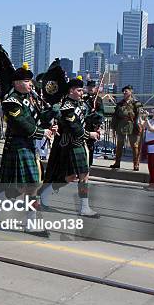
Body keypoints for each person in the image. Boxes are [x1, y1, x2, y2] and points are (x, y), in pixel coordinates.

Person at [0, 64, 58, 234]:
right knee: (31, 185)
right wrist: (41, 132)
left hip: (28, 145)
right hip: (17, 145)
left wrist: (51, 114)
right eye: (26, 81)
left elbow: (37, 118)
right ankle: (30, 224)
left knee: (25, 187)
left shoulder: (28, 99)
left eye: (30, 81)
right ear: (16, 83)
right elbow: (22, 124)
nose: (30, 84)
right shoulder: (11, 101)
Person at [40, 78, 99, 217]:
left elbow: (85, 119)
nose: (81, 92)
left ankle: (84, 207)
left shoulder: (79, 104)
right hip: (71, 145)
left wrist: (96, 120)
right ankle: (46, 193)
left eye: (81, 90)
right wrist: (89, 134)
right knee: (72, 176)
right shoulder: (67, 107)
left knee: (82, 176)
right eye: (79, 90)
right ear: (71, 90)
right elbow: (74, 128)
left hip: (80, 144)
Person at [110, 85, 143, 171]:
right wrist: (113, 128)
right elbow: (115, 116)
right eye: (124, 91)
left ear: (131, 92)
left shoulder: (136, 103)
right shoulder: (120, 104)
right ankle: (117, 163)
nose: (124, 93)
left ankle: (136, 164)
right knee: (119, 145)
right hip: (121, 125)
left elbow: (140, 116)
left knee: (135, 146)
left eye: (126, 91)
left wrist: (139, 125)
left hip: (132, 126)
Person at [83, 80, 104, 166]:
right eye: (89, 87)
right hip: (84, 124)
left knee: (90, 146)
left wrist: (95, 113)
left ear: (95, 88)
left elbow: (102, 113)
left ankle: (89, 164)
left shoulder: (98, 100)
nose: (90, 89)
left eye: (92, 87)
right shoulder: (84, 99)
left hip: (92, 125)